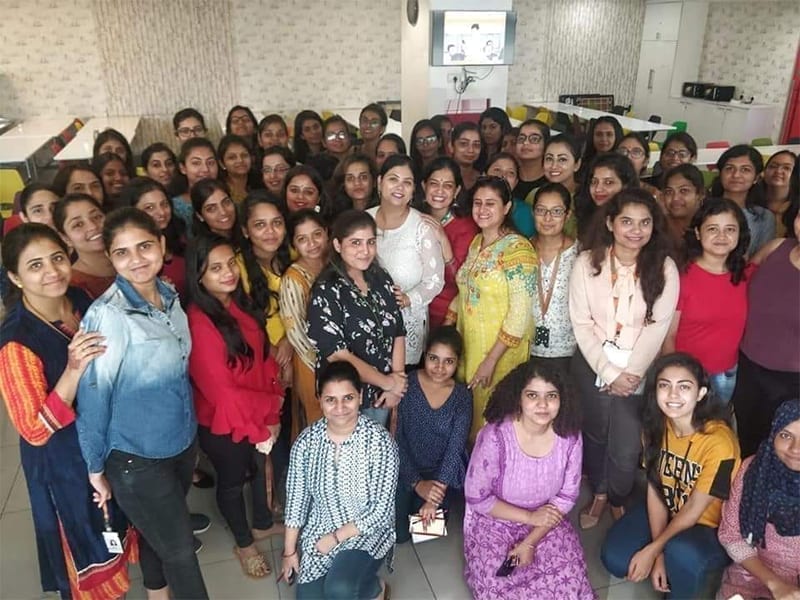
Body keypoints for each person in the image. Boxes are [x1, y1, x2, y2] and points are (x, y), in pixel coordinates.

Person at [76, 208, 209, 599]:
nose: (136, 260)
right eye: (122, 252)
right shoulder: (108, 315)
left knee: (158, 535)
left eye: (145, 246)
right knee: (181, 552)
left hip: (180, 441)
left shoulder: (168, 295)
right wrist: (95, 467)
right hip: (136, 457)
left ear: (162, 245)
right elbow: (94, 396)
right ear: (110, 257)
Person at [0, 224, 136, 600]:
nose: (52, 271)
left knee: (112, 524)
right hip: (63, 463)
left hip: (100, 443)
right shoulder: (16, 342)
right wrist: (73, 370)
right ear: (16, 277)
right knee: (84, 540)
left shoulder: (77, 298)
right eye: (36, 265)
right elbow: (33, 430)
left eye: (57, 258)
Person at [569, 188, 679, 528]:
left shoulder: (664, 267)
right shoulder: (587, 263)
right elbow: (581, 323)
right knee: (596, 434)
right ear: (610, 223)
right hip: (592, 365)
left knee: (627, 445)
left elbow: (658, 327)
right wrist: (608, 371)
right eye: (627, 221)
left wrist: (630, 374)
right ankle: (600, 494)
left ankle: (618, 496)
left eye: (644, 223)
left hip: (638, 371)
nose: (636, 230)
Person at [601, 352, 740, 599]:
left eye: (684, 387)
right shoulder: (655, 426)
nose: (673, 395)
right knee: (615, 559)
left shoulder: (719, 442)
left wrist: (654, 550)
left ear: (701, 393)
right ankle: (670, 558)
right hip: (670, 508)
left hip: (708, 526)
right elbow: (655, 490)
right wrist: (657, 555)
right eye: (664, 385)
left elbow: (695, 509)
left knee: (681, 551)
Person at [186, 234, 284, 579]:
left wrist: (272, 410)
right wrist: (267, 413)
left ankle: (261, 524)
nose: (228, 272)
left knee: (258, 469)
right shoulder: (199, 321)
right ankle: (243, 543)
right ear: (199, 276)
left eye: (230, 264)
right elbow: (223, 394)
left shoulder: (240, 302)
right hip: (224, 422)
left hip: (259, 409)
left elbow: (264, 355)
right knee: (231, 482)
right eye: (215, 268)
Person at [463, 360, 594, 599]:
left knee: (570, 578)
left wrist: (530, 542)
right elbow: (477, 497)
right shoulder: (496, 436)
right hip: (496, 521)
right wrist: (528, 517)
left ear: (562, 399)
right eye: (532, 395)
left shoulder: (570, 436)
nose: (543, 404)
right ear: (518, 398)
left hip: (547, 522)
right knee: (496, 582)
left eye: (551, 396)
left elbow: (566, 497)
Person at [280, 362, 397, 599]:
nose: (340, 408)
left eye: (348, 398)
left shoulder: (380, 443)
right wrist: (289, 552)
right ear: (319, 400)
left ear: (360, 396)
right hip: (321, 529)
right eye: (330, 400)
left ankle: (374, 589)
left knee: (340, 590)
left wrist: (335, 538)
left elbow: (381, 511)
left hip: (366, 532)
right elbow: (296, 501)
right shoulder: (306, 443)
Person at [444, 176, 536, 441]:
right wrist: (446, 331)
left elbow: (519, 315)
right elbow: (466, 291)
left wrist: (491, 360)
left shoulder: (519, 249)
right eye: (477, 203)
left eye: (490, 203)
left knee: (494, 426)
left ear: (506, 207)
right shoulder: (477, 243)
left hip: (501, 354)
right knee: (471, 420)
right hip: (470, 347)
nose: (482, 209)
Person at [308, 210, 407, 426]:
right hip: (344, 398)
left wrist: (397, 383)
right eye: (355, 243)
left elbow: (398, 329)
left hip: (382, 396)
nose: (365, 251)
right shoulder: (326, 290)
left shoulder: (381, 278)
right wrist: (388, 383)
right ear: (337, 245)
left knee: (376, 445)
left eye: (370, 242)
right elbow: (336, 354)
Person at [663, 198, 752, 403]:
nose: (722, 236)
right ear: (697, 232)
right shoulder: (681, 276)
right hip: (688, 376)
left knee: (717, 422)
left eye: (730, 229)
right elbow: (668, 336)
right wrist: (674, 377)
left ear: (740, 234)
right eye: (712, 229)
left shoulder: (746, 274)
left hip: (728, 373)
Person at [733, 203, 800, 457]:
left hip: (792, 382)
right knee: (747, 442)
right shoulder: (776, 248)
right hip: (748, 368)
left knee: (783, 453)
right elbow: (738, 283)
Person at [395, 326, 471, 543]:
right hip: (405, 471)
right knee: (399, 535)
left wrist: (435, 494)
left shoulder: (462, 396)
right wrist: (417, 484)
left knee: (425, 532)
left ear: (458, 362)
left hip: (440, 477)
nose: (439, 368)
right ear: (424, 355)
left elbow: (455, 448)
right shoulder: (407, 384)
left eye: (449, 361)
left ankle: (437, 503)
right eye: (433, 358)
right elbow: (397, 438)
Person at [717, 399, 800, 600]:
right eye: (785, 435)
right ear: (773, 435)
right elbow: (731, 536)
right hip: (753, 575)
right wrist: (775, 584)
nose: (795, 448)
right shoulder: (754, 470)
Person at [368, 155, 445, 367]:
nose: (399, 187)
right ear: (379, 182)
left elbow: (435, 281)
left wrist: (408, 299)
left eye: (407, 182)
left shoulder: (422, 227)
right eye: (393, 179)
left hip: (406, 327)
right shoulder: (363, 220)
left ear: (413, 190)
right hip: (366, 326)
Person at [280, 210, 329, 437]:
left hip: (342, 358)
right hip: (312, 363)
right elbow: (296, 332)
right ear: (294, 244)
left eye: (317, 234)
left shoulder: (334, 264)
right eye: (302, 239)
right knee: (318, 420)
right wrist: (325, 364)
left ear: (326, 233)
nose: (312, 244)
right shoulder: (293, 278)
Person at [237, 191, 293, 385]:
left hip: (298, 347)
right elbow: (242, 325)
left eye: (277, 223)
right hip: (261, 358)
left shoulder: (294, 255)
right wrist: (275, 354)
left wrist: (290, 340)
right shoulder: (236, 268)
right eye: (260, 225)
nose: (270, 231)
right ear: (246, 231)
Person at [420, 156, 478, 329]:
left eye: (447, 186)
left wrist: (443, 239)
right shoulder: (414, 218)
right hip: (414, 308)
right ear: (424, 186)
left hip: (447, 314)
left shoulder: (467, 226)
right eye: (434, 184)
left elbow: (460, 281)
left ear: (457, 191)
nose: (439, 191)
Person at [530, 183, 578, 373]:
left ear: (568, 215)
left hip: (568, 352)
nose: (548, 218)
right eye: (541, 210)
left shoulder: (580, 255)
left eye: (556, 211)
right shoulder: (521, 250)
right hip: (525, 349)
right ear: (533, 212)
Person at [118, 177, 187, 297]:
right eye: (149, 208)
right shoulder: (130, 253)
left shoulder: (180, 234)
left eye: (164, 204)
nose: (161, 212)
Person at [710, 144, 776, 256]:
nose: (736, 175)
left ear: (756, 178)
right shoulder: (704, 209)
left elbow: (761, 259)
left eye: (745, 170)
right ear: (720, 174)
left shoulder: (764, 217)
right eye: (729, 168)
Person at [53, 194, 116, 298]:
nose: (93, 226)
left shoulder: (134, 262)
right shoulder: (71, 286)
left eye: (97, 217)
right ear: (65, 238)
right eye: (78, 224)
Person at [574, 153, 639, 245]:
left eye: (608, 182)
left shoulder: (636, 218)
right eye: (594, 182)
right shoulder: (584, 214)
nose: (598, 189)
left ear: (625, 185)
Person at [173, 138, 219, 236]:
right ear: (183, 168)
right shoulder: (175, 208)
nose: (205, 169)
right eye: (196, 163)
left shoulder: (228, 199)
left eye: (210, 162)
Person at [485, 152, 535, 237]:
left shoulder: (526, 213)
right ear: (484, 175)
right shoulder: (473, 207)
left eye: (510, 173)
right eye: (497, 170)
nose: (503, 176)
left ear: (516, 182)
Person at [662, 163, 705, 246]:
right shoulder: (657, 227)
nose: (675, 198)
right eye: (669, 192)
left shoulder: (712, 226)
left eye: (683, 191)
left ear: (700, 194)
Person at [758, 150, 798, 237]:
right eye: (773, 166)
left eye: (786, 168)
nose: (778, 171)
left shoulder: (797, 207)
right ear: (764, 172)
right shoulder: (751, 201)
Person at [307, 115, 353, 183]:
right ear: (324, 142)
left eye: (342, 134)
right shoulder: (315, 165)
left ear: (349, 138)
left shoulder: (360, 159)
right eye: (331, 136)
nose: (337, 139)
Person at [513, 119, 550, 201]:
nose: (525, 143)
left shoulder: (551, 181)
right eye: (521, 138)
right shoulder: (509, 175)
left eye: (534, 139)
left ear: (546, 145)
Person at [617, 132, 660, 200]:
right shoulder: (605, 188)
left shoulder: (652, 193)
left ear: (646, 161)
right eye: (622, 151)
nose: (628, 156)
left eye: (636, 152)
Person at [217, 134, 257, 204]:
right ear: (222, 163)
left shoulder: (260, 184)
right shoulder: (220, 191)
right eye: (232, 157)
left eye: (244, 155)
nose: (240, 160)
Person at [450, 122, 483, 192]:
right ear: (451, 146)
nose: (471, 150)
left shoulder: (483, 179)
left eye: (476, 145)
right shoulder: (440, 176)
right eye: (463, 144)